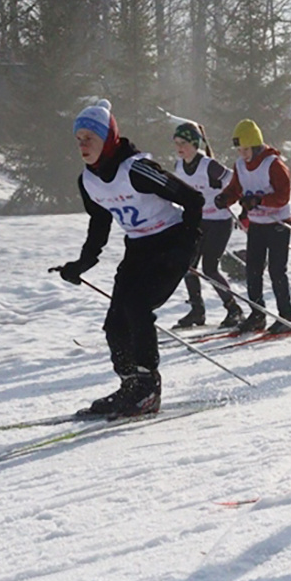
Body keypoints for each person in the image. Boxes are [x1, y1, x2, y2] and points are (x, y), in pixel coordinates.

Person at [51, 100, 203, 417]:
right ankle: (130, 385)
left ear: (107, 137)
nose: (82, 145)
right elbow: (99, 224)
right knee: (115, 323)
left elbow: (193, 199)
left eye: (89, 138)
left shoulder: (136, 169)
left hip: (172, 240)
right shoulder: (88, 180)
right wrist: (81, 264)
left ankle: (148, 389)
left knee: (137, 307)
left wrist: (187, 244)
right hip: (139, 247)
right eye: (78, 139)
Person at [213, 119, 291, 335]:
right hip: (257, 224)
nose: (243, 154)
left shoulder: (273, 164)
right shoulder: (240, 165)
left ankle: (286, 317)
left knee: (277, 270)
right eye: (239, 150)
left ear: (256, 145)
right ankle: (257, 314)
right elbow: (236, 189)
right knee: (253, 270)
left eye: (246, 149)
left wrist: (259, 201)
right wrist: (224, 198)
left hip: (278, 224)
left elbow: (283, 196)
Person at [170, 121, 244, 329]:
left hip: (219, 222)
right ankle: (196, 311)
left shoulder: (208, 165)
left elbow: (235, 182)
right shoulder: (178, 165)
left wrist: (224, 194)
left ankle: (233, 309)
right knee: (188, 267)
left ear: (195, 143)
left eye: (183, 142)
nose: (179, 148)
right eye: (176, 143)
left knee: (210, 269)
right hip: (198, 222)